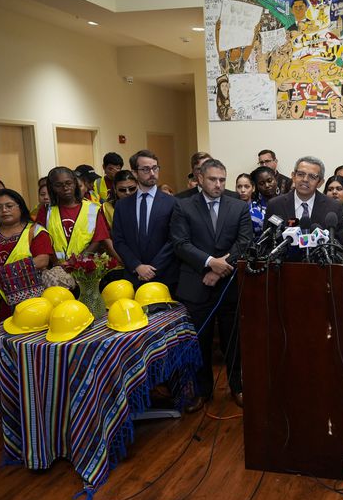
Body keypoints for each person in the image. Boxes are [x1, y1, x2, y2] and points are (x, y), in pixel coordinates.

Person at [171, 158, 253, 411]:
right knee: (200, 341)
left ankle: (237, 387)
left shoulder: (237, 206)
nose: (218, 185)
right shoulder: (183, 206)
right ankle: (203, 390)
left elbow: (244, 243)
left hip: (228, 285)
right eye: (212, 179)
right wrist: (208, 263)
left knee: (233, 340)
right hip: (196, 285)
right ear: (199, 179)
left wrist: (218, 271)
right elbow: (180, 244)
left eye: (222, 180)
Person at [0, 189, 53, 329]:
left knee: (28, 338)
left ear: (20, 207)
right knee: (1, 337)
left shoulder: (36, 231)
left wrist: (3, 273)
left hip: (30, 300)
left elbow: (42, 261)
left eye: (9, 206)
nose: (4, 210)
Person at [112, 150, 178, 291]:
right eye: (146, 169)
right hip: (133, 276)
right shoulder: (122, 205)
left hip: (164, 276)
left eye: (155, 168)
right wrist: (137, 266)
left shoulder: (172, 203)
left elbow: (174, 240)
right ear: (135, 173)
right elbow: (118, 240)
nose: (152, 173)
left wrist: (152, 269)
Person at [264, 156, 343, 246]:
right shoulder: (275, 204)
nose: (305, 179)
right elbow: (267, 244)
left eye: (312, 176)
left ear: (320, 183)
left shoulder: (333, 207)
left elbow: (341, 247)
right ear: (293, 176)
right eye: (300, 174)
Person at [36, 167, 110, 262]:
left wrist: (77, 261)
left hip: (84, 266)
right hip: (55, 267)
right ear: (51, 187)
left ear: (75, 183)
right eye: (58, 185)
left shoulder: (92, 208)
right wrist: (56, 263)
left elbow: (98, 239)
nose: (65, 188)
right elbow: (42, 239)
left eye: (69, 183)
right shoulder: (46, 210)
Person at [248, 166, 278, 239]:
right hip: (262, 248)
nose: (267, 185)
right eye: (261, 183)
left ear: (276, 179)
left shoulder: (288, 201)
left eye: (270, 180)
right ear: (256, 186)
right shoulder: (252, 209)